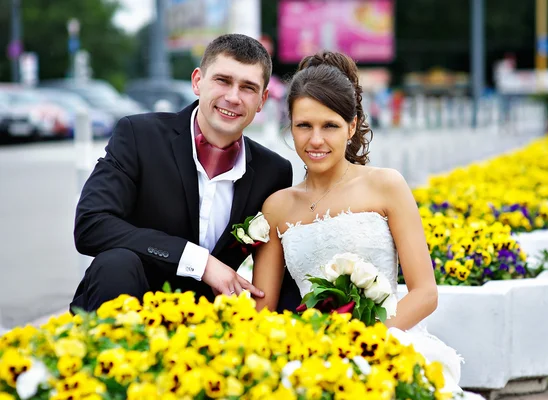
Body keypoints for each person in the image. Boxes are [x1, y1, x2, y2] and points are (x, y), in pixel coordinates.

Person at [251, 51, 483, 399]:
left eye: (329, 125)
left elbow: (425, 292)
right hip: (311, 356)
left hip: (388, 344)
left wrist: (363, 344)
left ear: (353, 125)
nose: (316, 140)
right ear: (290, 127)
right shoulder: (277, 207)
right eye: (304, 126)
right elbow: (262, 312)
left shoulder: (386, 185)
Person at [70, 34, 301, 313]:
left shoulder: (273, 172)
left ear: (262, 100)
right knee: (116, 263)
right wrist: (200, 262)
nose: (233, 97)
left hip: (210, 322)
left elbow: (275, 267)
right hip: (129, 303)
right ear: (197, 81)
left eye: (248, 87)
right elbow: (91, 224)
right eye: (222, 80)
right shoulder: (139, 136)